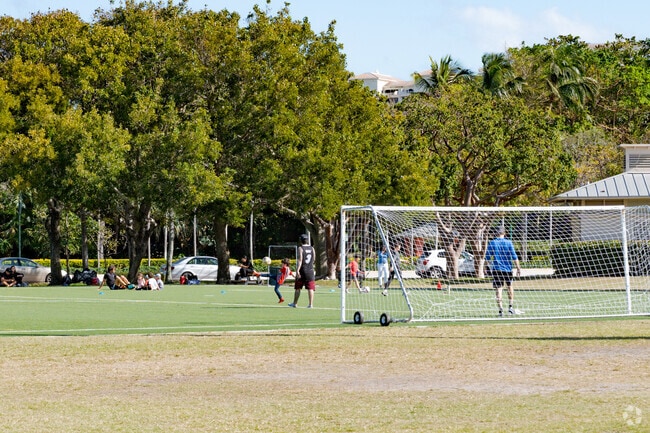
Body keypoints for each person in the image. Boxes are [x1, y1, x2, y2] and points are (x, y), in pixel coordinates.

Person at [485, 226, 521, 317]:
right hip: (507, 269)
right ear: (504, 233)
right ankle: (510, 307)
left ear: (496, 234)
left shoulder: (492, 243)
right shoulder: (509, 243)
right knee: (509, 287)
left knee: (499, 289)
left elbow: (487, 257)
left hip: (497, 270)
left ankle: (500, 310)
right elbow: (514, 256)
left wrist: (485, 268)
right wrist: (518, 268)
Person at [288, 234, 316, 308]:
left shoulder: (300, 248)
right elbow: (314, 259)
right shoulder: (312, 248)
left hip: (302, 270)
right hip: (310, 270)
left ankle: (295, 303)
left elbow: (300, 260)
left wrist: (297, 270)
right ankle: (310, 304)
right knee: (310, 288)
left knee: (298, 287)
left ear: (301, 240)